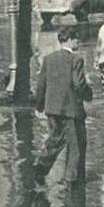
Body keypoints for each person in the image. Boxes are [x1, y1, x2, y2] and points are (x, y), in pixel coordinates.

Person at [33, 27, 92, 186]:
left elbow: (41, 85)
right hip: (71, 110)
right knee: (76, 146)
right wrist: (88, 94)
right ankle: (71, 181)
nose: (78, 42)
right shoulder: (76, 59)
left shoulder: (48, 59)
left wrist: (39, 106)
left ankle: (39, 170)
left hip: (52, 109)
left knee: (54, 141)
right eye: (77, 39)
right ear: (70, 39)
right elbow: (79, 84)